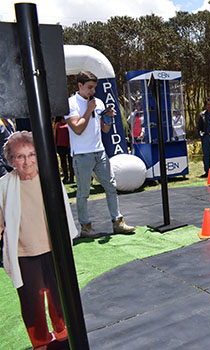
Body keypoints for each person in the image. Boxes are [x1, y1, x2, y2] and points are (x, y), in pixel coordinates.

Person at [0, 131, 77, 349]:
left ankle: (63, 335)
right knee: (31, 304)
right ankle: (40, 342)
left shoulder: (49, 178)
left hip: (53, 250)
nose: (27, 161)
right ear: (11, 160)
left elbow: (64, 215)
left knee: (60, 298)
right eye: (20, 156)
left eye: (32, 154)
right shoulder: (4, 186)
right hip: (24, 255)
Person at [65, 71, 135, 237]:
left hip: (100, 151)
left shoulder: (99, 103)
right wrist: (89, 110)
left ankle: (118, 222)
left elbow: (105, 129)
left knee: (111, 186)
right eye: (89, 87)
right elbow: (78, 129)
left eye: (94, 88)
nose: (92, 91)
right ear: (79, 86)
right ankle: (85, 227)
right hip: (82, 154)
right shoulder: (70, 103)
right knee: (83, 193)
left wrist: (108, 118)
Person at [54, 117, 74, 184]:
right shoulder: (57, 124)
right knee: (63, 163)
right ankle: (65, 177)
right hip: (60, 146)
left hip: (69, 146)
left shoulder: (69, 122)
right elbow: (55, 134)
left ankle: (71, 178)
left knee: (70, 162)